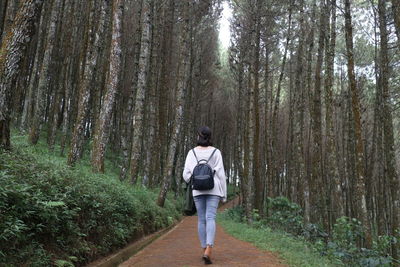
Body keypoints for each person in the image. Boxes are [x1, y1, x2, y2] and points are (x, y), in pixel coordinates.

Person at [183, 126, 227, 265]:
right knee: (210, 218)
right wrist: (224, 195)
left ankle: (204, 249)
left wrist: (194, 179)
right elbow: (221, 174)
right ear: (210, 137)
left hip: (197, 190)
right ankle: (209, 249)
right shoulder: (216, 152)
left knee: (201, 219)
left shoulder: (191, 153)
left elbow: (186, 175)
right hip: (213, 189)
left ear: (199, 136)